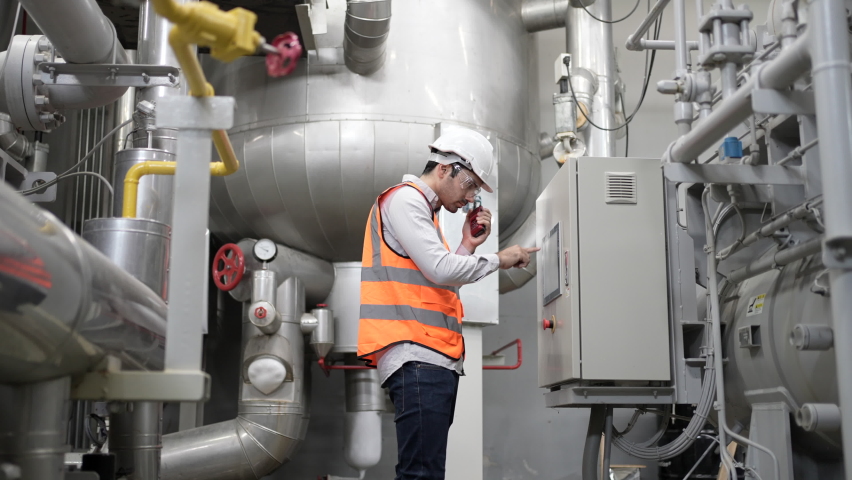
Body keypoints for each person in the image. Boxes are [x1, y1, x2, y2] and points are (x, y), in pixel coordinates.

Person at [356, 127, 538, 480]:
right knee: (421, 474)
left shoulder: (423, 211)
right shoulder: (405, 200)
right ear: (444, 169)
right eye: (470, 184)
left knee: (424, 471)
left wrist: (468, 245)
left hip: (427, 355)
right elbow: (440, 270)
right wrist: (500, 258)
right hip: (417, 354)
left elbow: (435, 279)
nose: (471, 198)